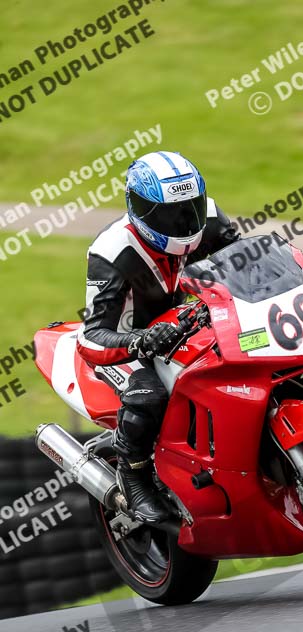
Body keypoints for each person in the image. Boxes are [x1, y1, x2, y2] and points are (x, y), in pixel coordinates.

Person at [77, 151, 240, 523]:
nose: (184, 222)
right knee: (151, 395)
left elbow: (245, 265)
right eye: (169, 215)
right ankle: (132, 475)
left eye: (189, 209)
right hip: (134, 342)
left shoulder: (211, 218)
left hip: (193, 325)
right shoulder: (112, 252)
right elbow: (92, 337)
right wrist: (139, 340)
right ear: (140, 210)